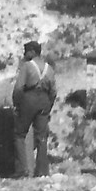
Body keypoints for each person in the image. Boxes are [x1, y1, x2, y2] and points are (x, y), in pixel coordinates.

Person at [12, 40, 57, 177]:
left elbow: (19, 88)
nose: (24, 55)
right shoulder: (49, 68)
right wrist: (48, 106)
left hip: (28, 100)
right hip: (44, 101)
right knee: (42, 137)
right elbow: (54, 92)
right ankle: (42, 171)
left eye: (26, 51)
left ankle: (23, 170)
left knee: (19, 134)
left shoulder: (27, 66)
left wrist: (17, 104)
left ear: (32, 51)